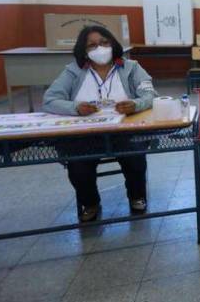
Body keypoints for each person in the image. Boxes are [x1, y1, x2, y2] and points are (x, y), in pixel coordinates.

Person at [43, 25, 158, 221]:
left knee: (135, 156)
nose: (100, 48)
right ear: (84, 51)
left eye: (104, 43)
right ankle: (90, 203)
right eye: (92, 45)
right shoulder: (73, 71)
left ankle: (136, 197)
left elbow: (149, 94)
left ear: (113, 44)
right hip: (85, 133)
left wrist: (135, 104)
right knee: (78, 166)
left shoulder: (131, 67)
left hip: (125, 130)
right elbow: (50, 100)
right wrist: (76, 107)